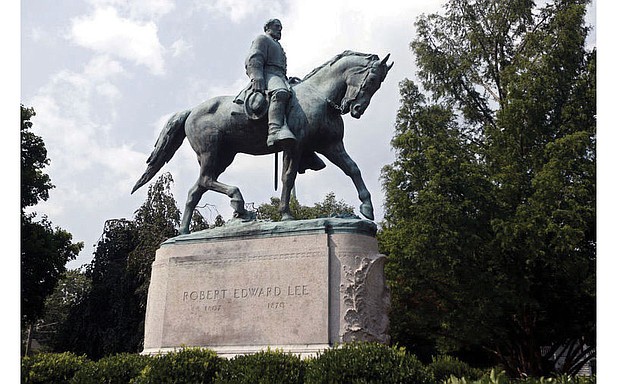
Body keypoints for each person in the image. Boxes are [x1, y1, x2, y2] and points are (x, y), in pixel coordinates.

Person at [245, 18, 296, 147]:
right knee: (280, 93)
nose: (280, 29)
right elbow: (254, 57)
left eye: (281, 28)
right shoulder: (262, 39)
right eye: (277, 26)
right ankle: (275, 130)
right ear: (268, 27)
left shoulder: (278, 45)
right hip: (268, 74)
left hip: (280, 76)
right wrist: (256, 76)